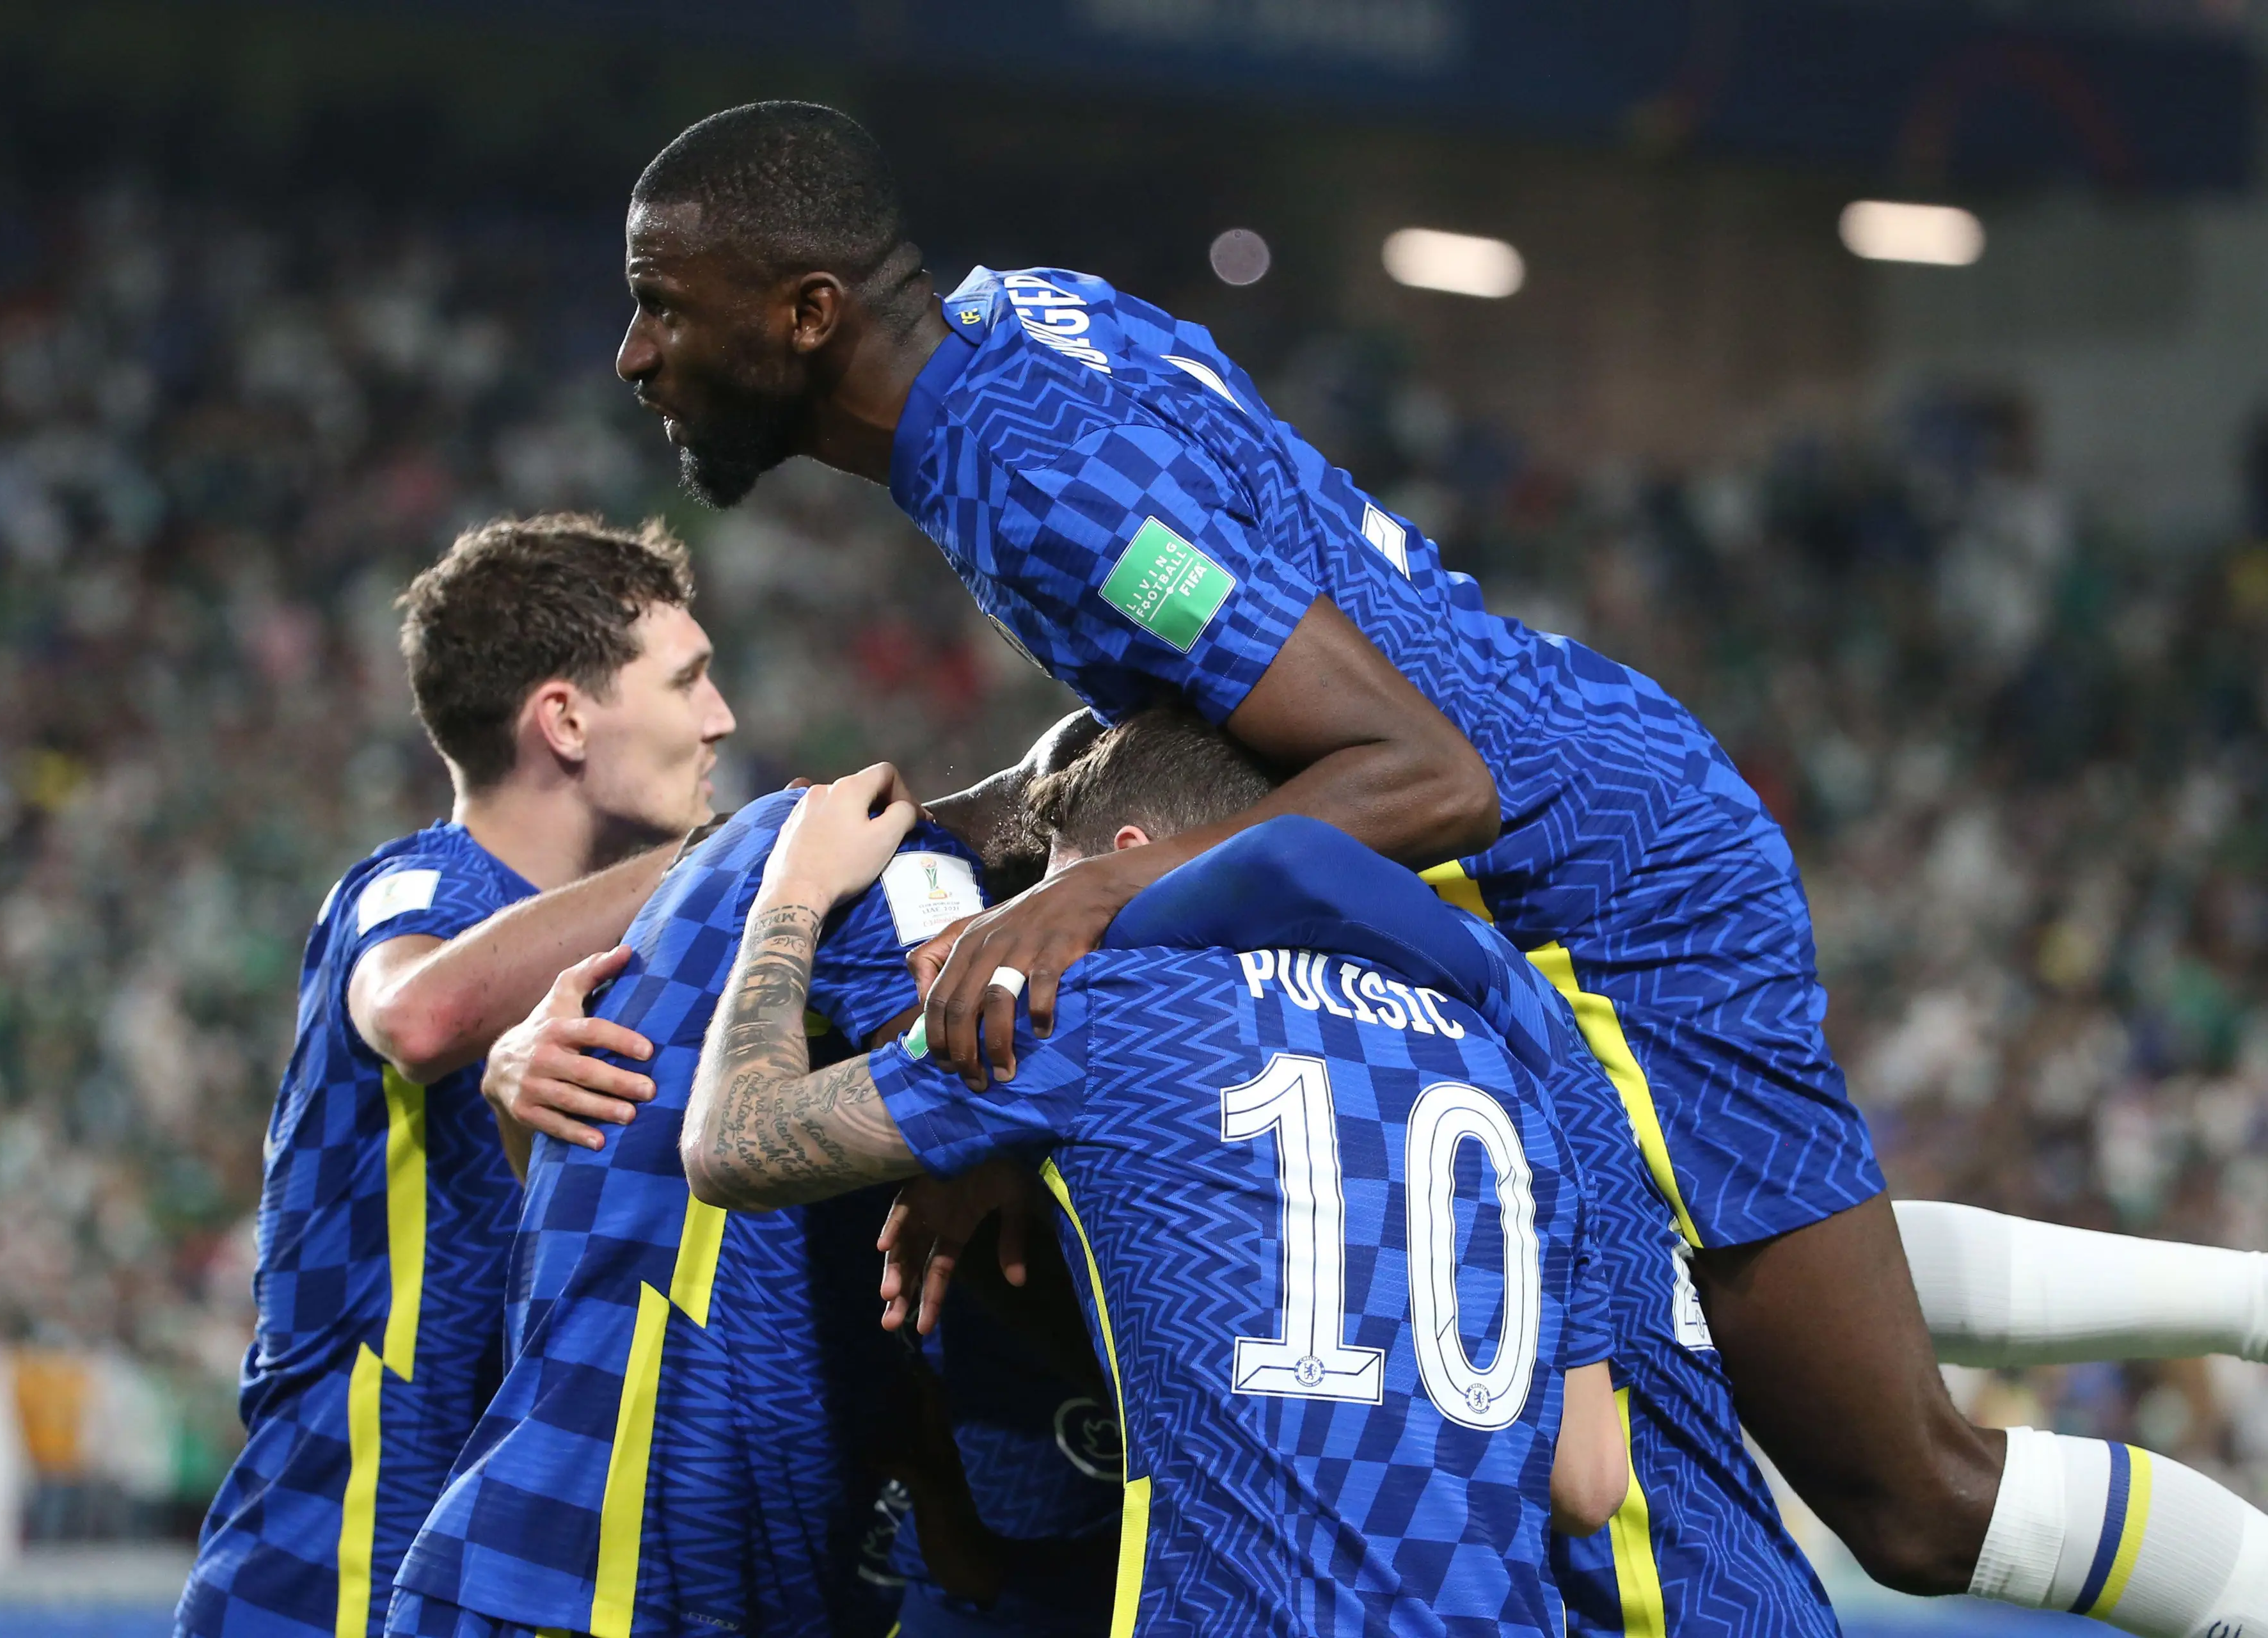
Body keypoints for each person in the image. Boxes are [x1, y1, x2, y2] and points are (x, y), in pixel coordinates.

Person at [609, 100, 2268, 1635]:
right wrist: (954, 839)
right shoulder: (1023, 326)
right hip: (1600, 796)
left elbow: (1423, 772)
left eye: (665, 308)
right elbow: (1206, 697)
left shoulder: (1020, 468)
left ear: (808, 313)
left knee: (1906, 1497)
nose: (635, 353)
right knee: (1772, 1261)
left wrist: (1093, 898)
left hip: (1593, 894)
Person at [679, 765, 1628, 1635]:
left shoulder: (1108, 1006)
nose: (1015, 946)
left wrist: (791, 893)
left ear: (1127, 864)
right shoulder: (1501, 1055)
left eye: (1043, 897)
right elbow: (1589, 1483)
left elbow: (733, 1143)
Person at [178, 513, 734, 1638]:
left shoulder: (646, 943)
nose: (721, 718)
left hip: (492, 1563)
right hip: (331, 1562)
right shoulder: (414, 891)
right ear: (564, 720)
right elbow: (422, 1013)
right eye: (689, 683)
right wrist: (736, 848)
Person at [386, 786, 1003, 1638]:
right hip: (608, 1576)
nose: (717, 716)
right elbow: (962, 1081)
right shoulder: (876, 870)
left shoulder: (693, 922)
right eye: (685, 681)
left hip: (580, 1560)